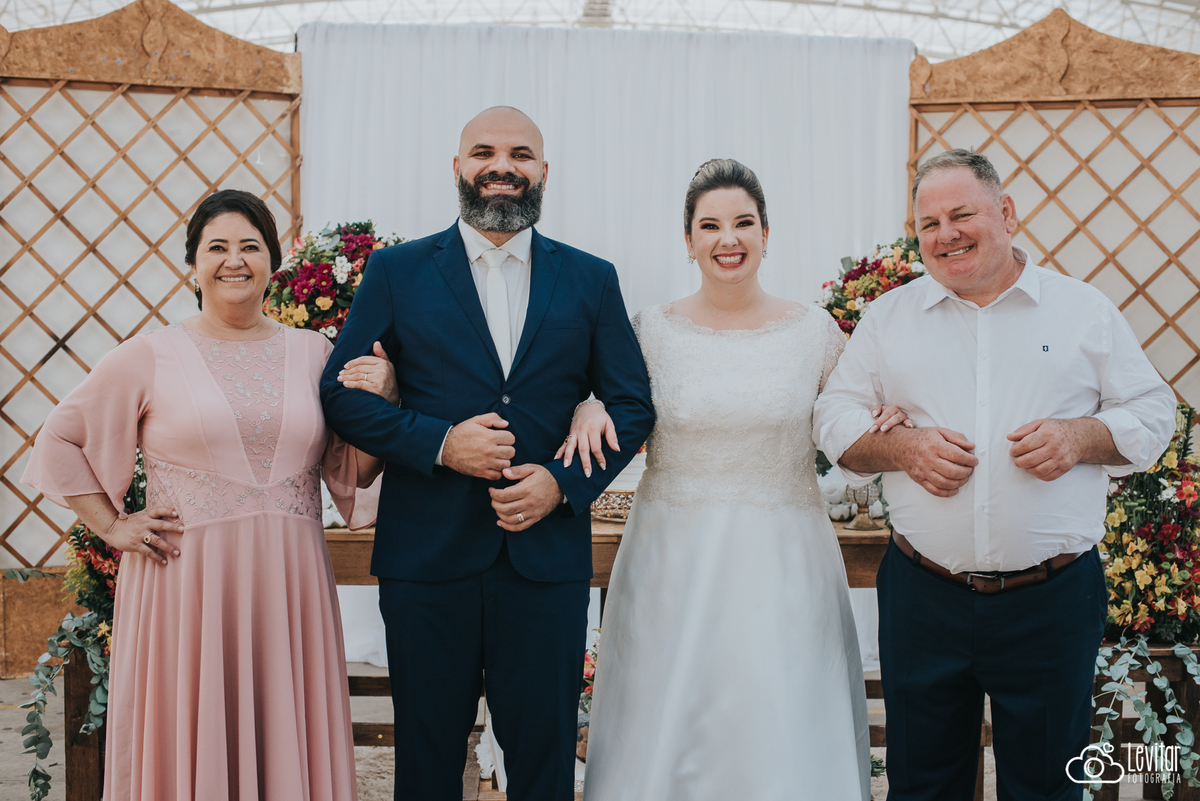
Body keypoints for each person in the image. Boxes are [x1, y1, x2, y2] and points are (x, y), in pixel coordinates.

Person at [812, 149, 1177, 800]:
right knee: (923, 786)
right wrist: (904, 448)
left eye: (962, 214)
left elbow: (1152, 411)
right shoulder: (888, 319)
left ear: (1006, 212)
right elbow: (833, 417)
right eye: (929, 223)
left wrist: (1080, 437)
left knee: (1046, 786)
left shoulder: (1083, 310)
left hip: (1051, 601)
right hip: (924, 598)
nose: (945, 234)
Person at [319, 106, 655, 801]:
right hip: (426, 562)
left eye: (520, 154)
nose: (502, 166)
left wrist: (560, 483)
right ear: (458, 167)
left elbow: (632, 406)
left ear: (543, 171)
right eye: (484, 152)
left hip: (544, 565)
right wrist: (442, 444)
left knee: (544, 765)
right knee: (427, 764)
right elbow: (340, 397)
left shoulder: (591, 278)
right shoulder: (396, 271)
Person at [21, 189, 398, 801]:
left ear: (273, 262)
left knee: (284, 737)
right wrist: (112, 525)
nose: (234, 260)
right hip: (186, 591)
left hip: (290, 588)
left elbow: (354, 468)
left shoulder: (315, 354)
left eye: (250, 246)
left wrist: (387, 401)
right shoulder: (149, 355)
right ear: (192, 265)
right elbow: (59, 438)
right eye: (216, 247)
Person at [569, 159, 903, 801]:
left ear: (766, 234)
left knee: (779, 711)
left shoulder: (813, 332)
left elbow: (848, 422)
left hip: (785, 560)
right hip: (672, 557)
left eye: (744, 223)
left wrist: (885, 417)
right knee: (668, 715)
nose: (729, 239)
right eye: (710, 225)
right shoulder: (650, 330)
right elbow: (613, 398)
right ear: (688, 239)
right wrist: (588, 406)